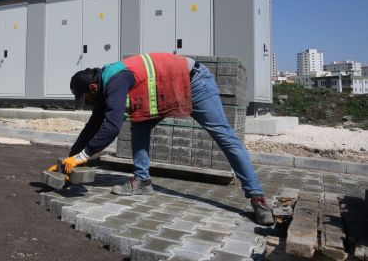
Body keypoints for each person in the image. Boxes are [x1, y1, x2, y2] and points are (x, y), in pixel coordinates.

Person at [53, 53, 273, 225]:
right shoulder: (104, 84)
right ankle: (142, 182)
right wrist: (68, 160)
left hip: (195, 83)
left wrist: (83, 156)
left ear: (93, 87)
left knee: (224, 136)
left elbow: (112, 127)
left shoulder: (115, 81)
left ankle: (257, 198)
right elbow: (93, 126)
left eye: (86, 98)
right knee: (139, 126)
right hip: (167, 89)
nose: (87, 102)